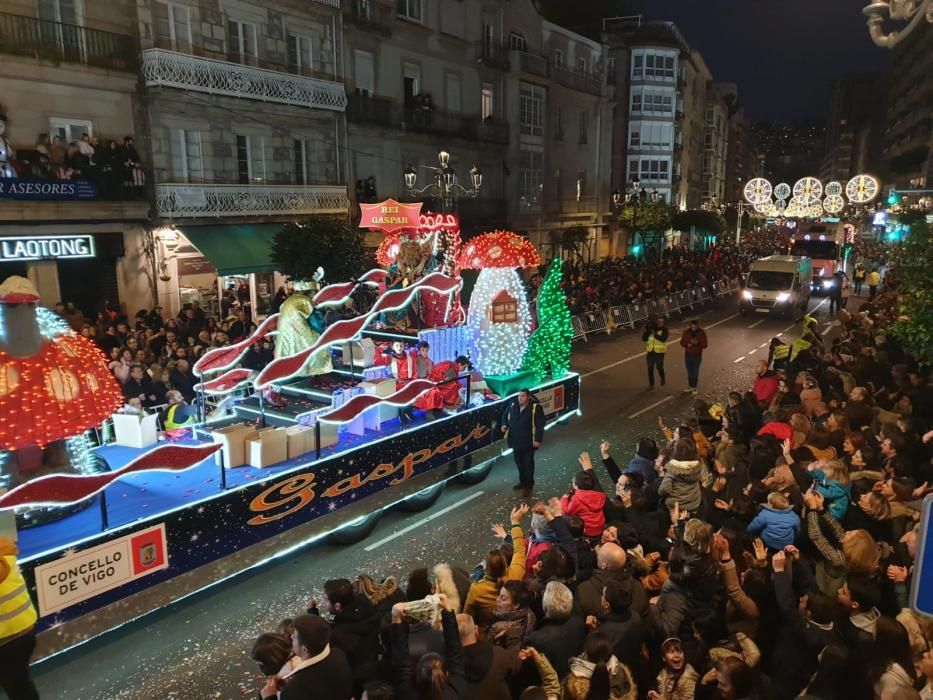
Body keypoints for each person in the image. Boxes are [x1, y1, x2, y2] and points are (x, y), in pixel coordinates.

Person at [0, 537, 40, 700]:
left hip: (6, 639)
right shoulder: (4, 548)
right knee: (19, 683)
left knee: (17, 684)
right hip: (23, 631)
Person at [501, 389, 544, 497]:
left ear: (528, 397)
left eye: (523, 396)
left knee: (528, 465)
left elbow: (540, 425)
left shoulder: (535, 408)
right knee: (519, 464)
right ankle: (522, 482)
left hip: (528, 443)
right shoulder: (512, 404)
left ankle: (529, 486)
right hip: (515, 441)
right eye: (519, 395)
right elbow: (505, 415)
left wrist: (538, 440)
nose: (520, 398)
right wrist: (504, 424)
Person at [679, 319, 708, 394]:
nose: (693, 328)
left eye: (695, 327)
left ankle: (694, 387)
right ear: (690, 326)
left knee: (695, 371)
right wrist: (687, 344)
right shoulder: (686, 332)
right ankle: (690, 386)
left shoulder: (701, 333)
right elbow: (682, 343)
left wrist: (698, 342)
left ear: (697, 326)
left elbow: (705, 345)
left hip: (697, 356)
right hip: (688, 355)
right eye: (692, 327)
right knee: (689, 371)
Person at [643, 316, 669, 388]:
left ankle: (662, 377)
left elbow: (663, 339)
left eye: (661, 322)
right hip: (650, 352)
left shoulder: (664, 330)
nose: (659, 323)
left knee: (659, 367)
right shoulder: (652, 329)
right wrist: (647, 332)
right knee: (650, 368)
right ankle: (651, 384)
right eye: (658, 322)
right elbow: (644, 339)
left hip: (659, 353)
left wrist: (654, 334)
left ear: (663, 323)